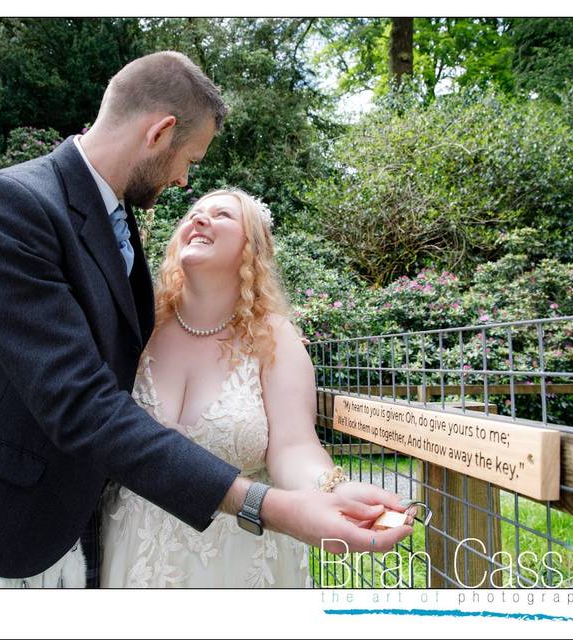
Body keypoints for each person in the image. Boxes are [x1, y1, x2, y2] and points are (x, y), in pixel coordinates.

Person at [0, 50, 412, 589]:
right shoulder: (13, 204)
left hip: (71, 532)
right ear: (159, 132)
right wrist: (267, 506)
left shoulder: (117, 224)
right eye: (188, 160)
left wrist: (327, 488)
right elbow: (80, 401)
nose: (184, 184)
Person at [100, 189, 411, 587]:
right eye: (193, 213)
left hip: (233, 561)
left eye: (222, 214)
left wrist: (334, 488)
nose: (198, 219)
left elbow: (294, 446)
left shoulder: (273, 339)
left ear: (252, 246)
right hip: (129, 551)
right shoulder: (137, 326)